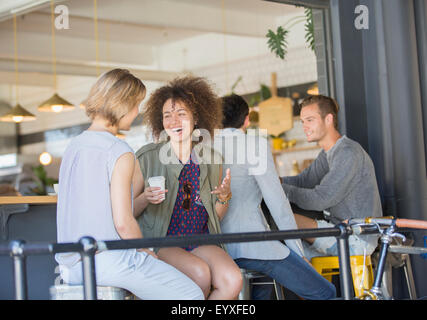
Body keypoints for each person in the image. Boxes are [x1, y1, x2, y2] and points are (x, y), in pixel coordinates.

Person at [55, 69, 204, 300]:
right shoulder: (118, 151)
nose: (137, 113)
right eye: (136, 105)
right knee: (191, 295)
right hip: (111, 261)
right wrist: (145, 250)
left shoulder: (73, 147)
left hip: (71, 266)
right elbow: (123, 223)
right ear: (122, 105)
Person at [213, 94, 336, 300]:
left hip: (217, 251)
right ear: (247, 119)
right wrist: (299, 252)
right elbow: (277, 203)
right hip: (254, 246)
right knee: (325, 292)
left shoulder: (202, 148)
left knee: (263, 287)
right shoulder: (254, 145)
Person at [133, 76, 243, 300]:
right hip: (162, 242)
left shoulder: (212, 159)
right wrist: (145, 198)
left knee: (233, 280)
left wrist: (224, 197)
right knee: (200, 275)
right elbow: (126, 211)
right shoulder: (146, 157)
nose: (173, 121)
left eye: (181, 114)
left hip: (199, 239)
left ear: (196, 118)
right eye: (167, 115)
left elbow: (215, 216)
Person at [281, 94, 383, 260]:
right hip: (339, 230)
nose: (304, 126)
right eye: (302, 121)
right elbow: (304, 181)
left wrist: (282, 189)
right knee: (286, 242)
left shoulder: (348, 153)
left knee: (282, 218)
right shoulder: (328, 153)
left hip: (356, 239)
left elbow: (321, 199)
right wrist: (275, 182)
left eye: (310, 120)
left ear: (328, 119)